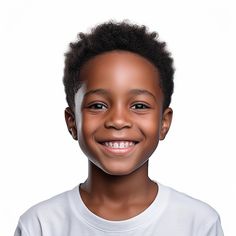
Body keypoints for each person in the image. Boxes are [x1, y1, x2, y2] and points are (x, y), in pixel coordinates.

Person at [14, 20, 224, 236]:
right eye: (97, 105)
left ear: (164, 122)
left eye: (139, 105)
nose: (118, 120)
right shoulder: (40, 225)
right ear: (72, 122)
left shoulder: (198, 223)